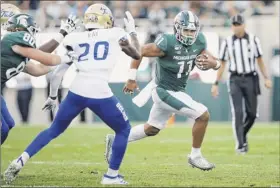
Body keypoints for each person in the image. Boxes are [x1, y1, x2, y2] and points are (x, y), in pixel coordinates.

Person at [4, 4, 140, 185]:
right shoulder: (115, 33)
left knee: (53, 130)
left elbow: (58, 72)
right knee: (123, 130)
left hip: (77, 89)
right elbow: (137, 54)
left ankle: (20, 160)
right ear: (106, 20)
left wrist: (53, 96)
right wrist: (132, 32)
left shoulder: (75, 38)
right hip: (99, 90)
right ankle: (111, 176)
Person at [105, 10, 219, 171]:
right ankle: (195, 156)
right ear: (177, 29)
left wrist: (215, 64)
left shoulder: (199, 41)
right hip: (163, 90)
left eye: (192, 30)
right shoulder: (167, 42)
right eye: (186, 30)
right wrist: (131, 78)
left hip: (177, 90)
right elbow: (141, 51)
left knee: (152, 129)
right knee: (203, 115)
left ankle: (116, 139)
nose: (189, 34)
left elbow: (210, 58)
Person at [1, 12, 80, 145]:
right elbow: (46, 58)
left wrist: (64, 61)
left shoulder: (16, 51)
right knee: (2, 128)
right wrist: (67, 55)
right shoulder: (15, 38)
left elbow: (38, 70)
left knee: (8, 125)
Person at [211, 14, 272, 154]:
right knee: (237, 113)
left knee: (252, 114)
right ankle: (240, 146)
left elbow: (260, 60)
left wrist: (266, 77)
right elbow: (223, 64)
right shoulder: (227, 42)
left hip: (251, 78)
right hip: (235, 79)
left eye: (238, 24)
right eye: (234, 24)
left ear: (244, 25)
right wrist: (215, 83)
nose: (236, 27)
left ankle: (241, 134)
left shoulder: (253, 40)